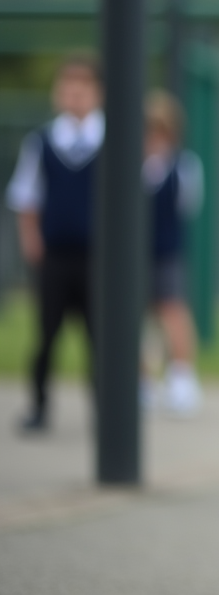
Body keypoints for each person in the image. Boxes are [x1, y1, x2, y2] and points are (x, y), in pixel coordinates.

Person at [5, 54, 104, 434]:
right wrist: (32, 241)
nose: (75, 94)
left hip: (98, 257)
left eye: (83, 87)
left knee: (100, 338)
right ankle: (39, 406)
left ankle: (105, 410)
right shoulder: (44, 142)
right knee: (46, 335)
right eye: (68, 86)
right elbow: (26, 197)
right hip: (56, 254)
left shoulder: (113, 141)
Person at [143, 89, 205, 416]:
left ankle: (181, 378)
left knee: (173, 312)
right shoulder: (130, 163)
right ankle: (142, 381)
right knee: (136, 318)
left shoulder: (183, 165)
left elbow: (186, 206)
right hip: (135, 255)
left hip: (166, 250)